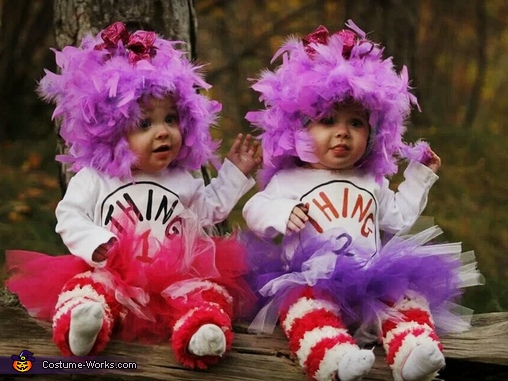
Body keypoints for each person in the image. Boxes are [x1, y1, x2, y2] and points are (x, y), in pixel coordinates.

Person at [5, 21, 260, 370]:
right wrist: (96, 241)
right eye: (144, 124)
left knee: (205, 291)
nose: (163, 132)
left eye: (171, 119)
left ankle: (202, 331)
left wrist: (235, 172)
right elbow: (70, 215)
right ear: (111, 131)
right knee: (88, 287)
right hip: (115, 272)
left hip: (178, 275)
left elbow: (208, 210)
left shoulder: (181, 178)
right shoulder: (96, 178)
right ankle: (84, 325)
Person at [242, 21, 483, 381]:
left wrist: (419, 176)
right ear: (298, 129)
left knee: (405, 297)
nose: (342, 132)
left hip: (371, 279)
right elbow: (254, 209)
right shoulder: (290, 179)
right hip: (313, 278)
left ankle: (413, 353)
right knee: (305, 307)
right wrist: (282, 212)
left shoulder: (370, 180)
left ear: (374, 133)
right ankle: (333, 358)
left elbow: (398, 218)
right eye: (327, 121)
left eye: (356, 123)